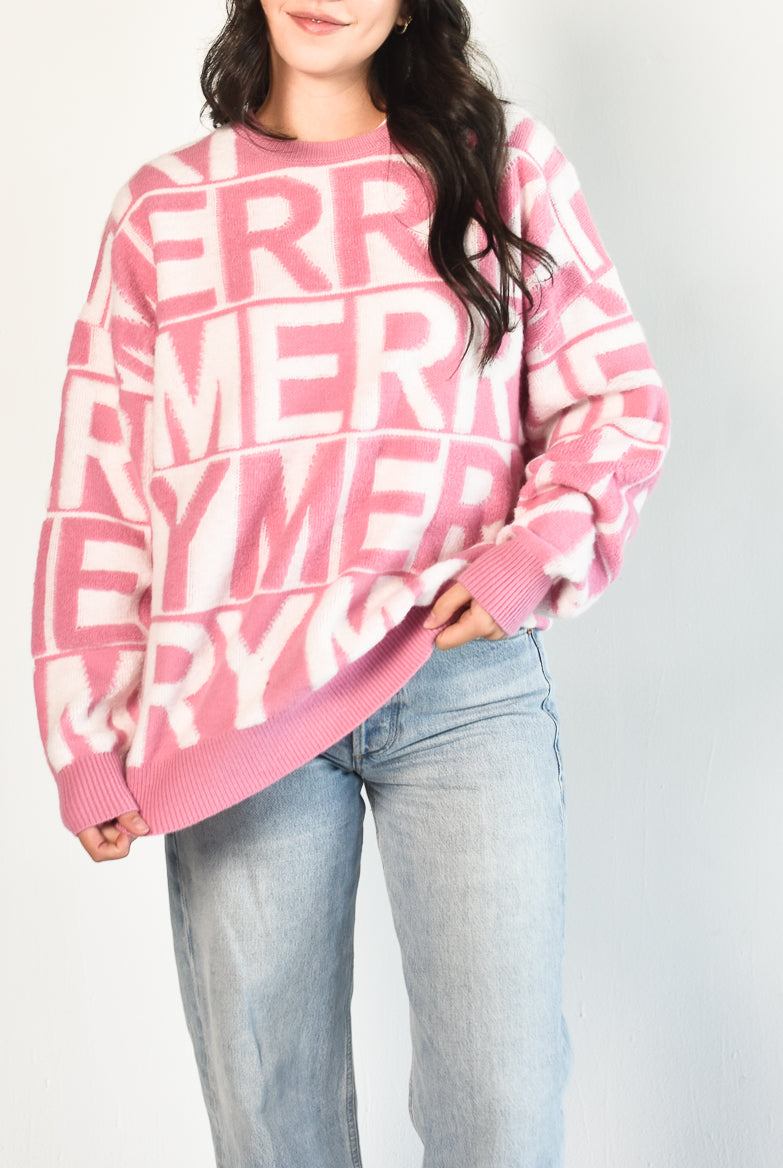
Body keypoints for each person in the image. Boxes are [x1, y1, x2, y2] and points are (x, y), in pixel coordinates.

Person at [31, 0, 669, 1164]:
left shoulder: (502, 166)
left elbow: (613, 400)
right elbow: (101, 487)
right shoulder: (164, 212)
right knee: (274, 1128)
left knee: (503, 1112)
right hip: (233, 703)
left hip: (462, 688)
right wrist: (86, 735)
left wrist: (525, 556)